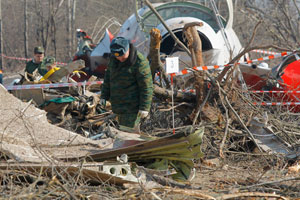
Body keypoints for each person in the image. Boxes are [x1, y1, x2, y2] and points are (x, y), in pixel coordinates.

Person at [100, 37, 153, 132]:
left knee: (130, 136)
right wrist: (104, 96)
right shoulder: (114, 60)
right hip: (118, 108)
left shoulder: (140, 62)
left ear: (128, 49)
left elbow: (146, 87)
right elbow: (108, 78)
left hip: (132, 109)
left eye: (122, 55)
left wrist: (144, 108)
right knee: (120, 134)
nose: (120, 58)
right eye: (117, 56)